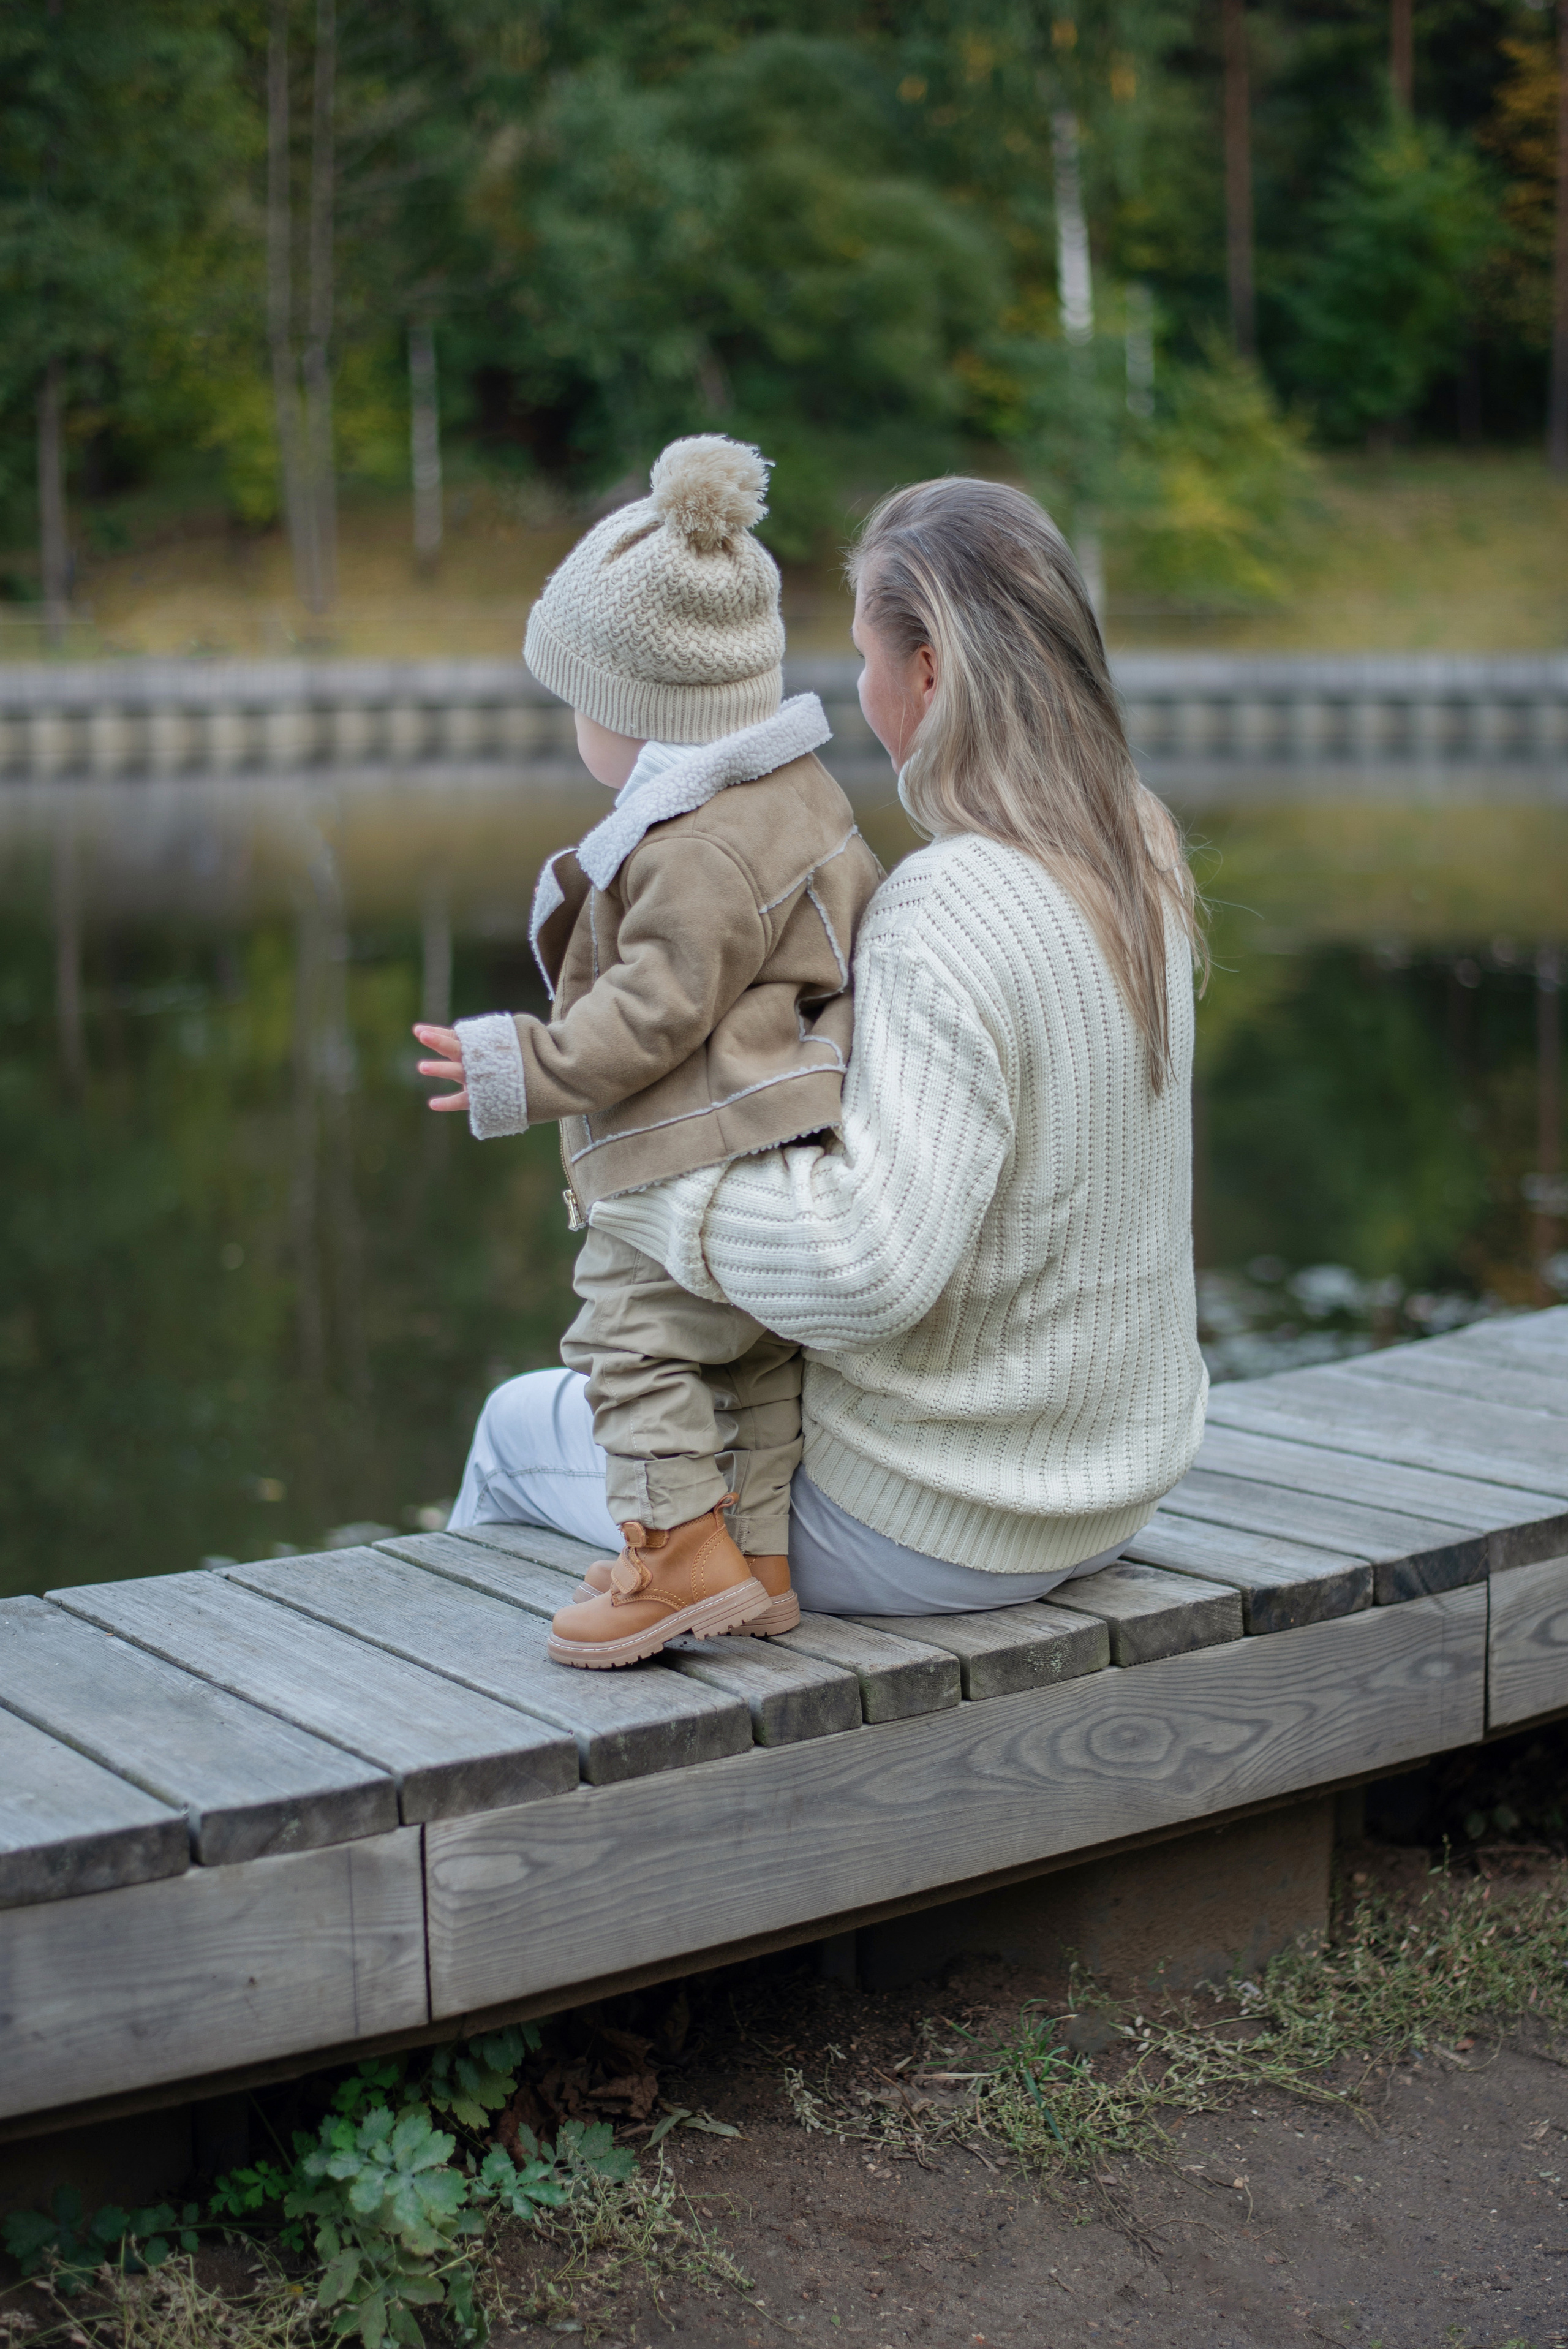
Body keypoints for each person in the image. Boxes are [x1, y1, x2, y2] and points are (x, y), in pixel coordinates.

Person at [447, 474, 1208, 1621]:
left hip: (926, 1520)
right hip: (1111, 1488)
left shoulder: (945, 905)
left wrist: (639, 1175)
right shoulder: (1137, 854)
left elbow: (864, 1266)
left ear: (931, 671)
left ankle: (514, 1756)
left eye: (863, 657)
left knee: (514, 1428)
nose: (856, 693)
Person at [415, 434, 882, 1667]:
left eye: (580, 703)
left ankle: (671, 1554)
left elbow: (657, 1006)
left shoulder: (692, 846)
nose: (576, 728)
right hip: (783, 1142)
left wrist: (528, 1063)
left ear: (634, 713)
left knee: (627, 1340)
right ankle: (759, 1560)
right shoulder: (805, 797)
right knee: (761, 1364)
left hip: (686, 1153)